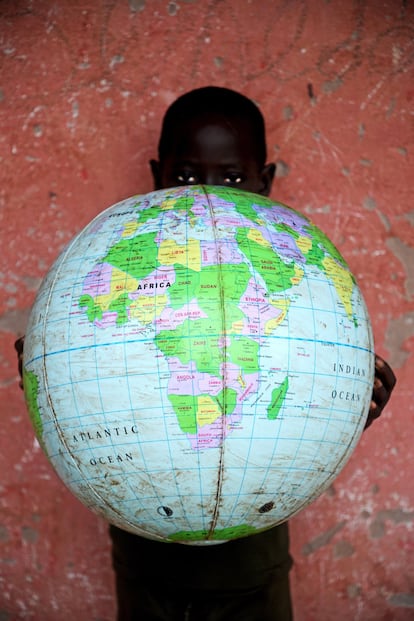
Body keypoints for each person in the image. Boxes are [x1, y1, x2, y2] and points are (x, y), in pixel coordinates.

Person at [15, 86, 396, 620]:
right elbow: (99, 387)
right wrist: (53, 378)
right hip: (143, 545)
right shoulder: (128, 270)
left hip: (252, 559)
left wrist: (342, 403)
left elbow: (296, 400)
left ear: (267, 181)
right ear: (157, 174)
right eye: (188, 175)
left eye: (235, 178)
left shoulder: (290, 280)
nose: (211, 193)